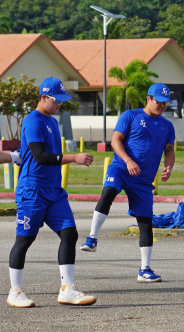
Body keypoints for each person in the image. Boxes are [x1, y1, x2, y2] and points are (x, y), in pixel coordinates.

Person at [8, 77, 96, 308]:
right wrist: (73, 158)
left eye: (62, 101)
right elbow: (40, 156)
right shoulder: (33, 120)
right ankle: (15, 291)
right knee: (25, 240)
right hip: (32, 190)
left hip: (54, 191)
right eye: (56, 100)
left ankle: (67, 289)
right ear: (43, 97)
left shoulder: (51, 121)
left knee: (70, 234)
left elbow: (24, 153)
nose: (60, 105)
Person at [80, 83, 176, 283]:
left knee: (145, 222)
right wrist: (128, 160)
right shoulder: (130, 116)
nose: (162, 106)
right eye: (159, 102)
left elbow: (169, 151)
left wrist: (168, 167)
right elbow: (115, 141)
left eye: (165, 103)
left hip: (143, 180)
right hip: (122, 168)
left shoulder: (167, 126)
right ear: (148, 99)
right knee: (108, 193)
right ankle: (92, 237)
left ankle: (144, 270)